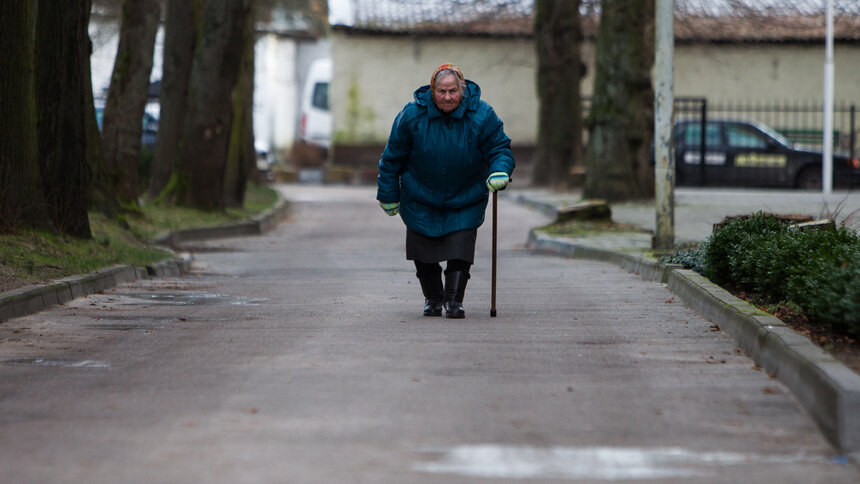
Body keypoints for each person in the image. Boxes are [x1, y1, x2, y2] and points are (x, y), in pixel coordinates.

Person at [377, 64, 514, 319]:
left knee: (460, 247)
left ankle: (453, 301)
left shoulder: (482, 115)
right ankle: (432, 298)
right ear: (432, 90)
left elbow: (500, 149)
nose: (448, 97)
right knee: (423, 250)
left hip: (466, 195)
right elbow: (392, 157)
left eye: (453, 91)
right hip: (420, 195)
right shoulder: (412, 115)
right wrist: (388, 194)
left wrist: (500, 170)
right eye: (442, 91)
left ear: (462, 90)